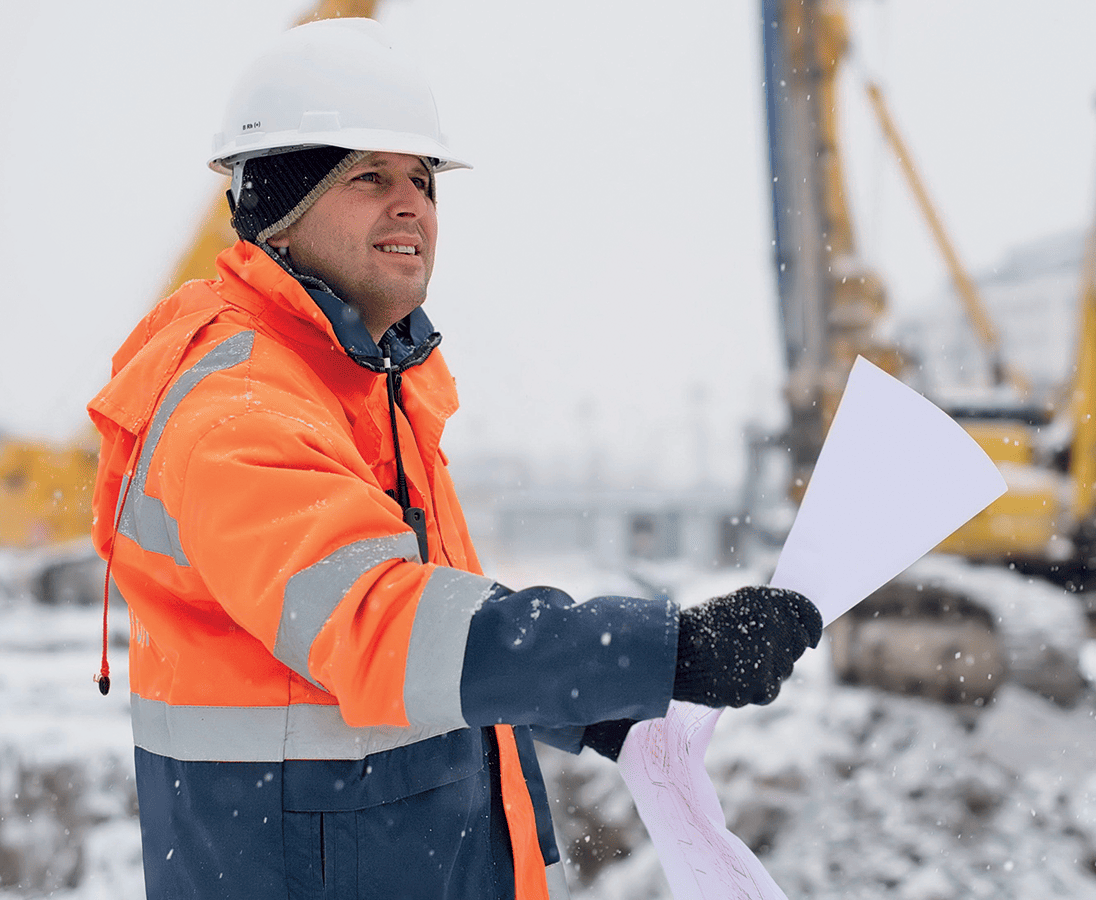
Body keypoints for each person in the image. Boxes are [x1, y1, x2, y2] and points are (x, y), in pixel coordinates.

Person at [87, 18, 822, 900]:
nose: (412, 206)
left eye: (424, 181)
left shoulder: (366, 385)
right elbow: (383, 625)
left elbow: (438, 629)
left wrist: (596, 709)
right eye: (369, 175)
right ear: (278, 205)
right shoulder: (238, 410)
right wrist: (666, 651)